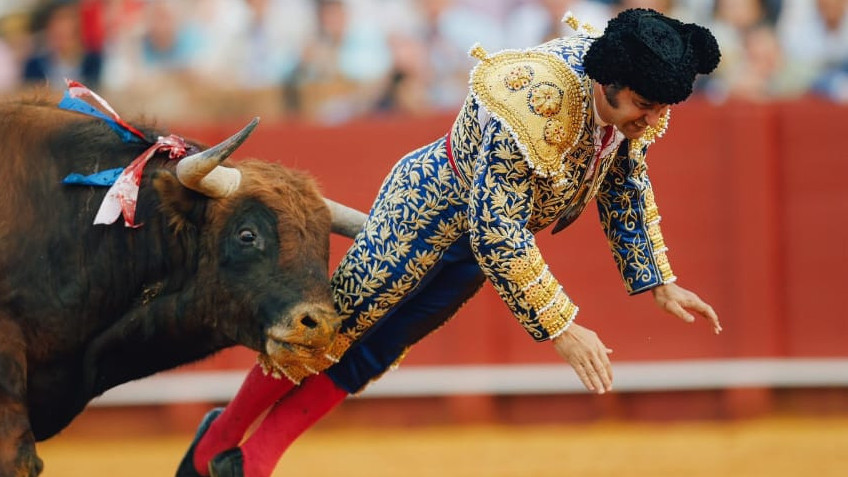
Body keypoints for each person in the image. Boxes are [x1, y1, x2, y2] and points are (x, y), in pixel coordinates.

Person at [176, 7, 723, 477]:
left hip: (482, 241)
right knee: (330, 329)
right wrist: (561, 325)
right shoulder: (540, 97)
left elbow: (623, 178)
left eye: (661, 108)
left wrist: (657, 278)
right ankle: (217, 442)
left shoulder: (632, 99)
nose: (654, 120)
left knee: (375, 351)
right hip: (427, 213)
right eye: (646, 105)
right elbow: (495, 228)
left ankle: (257, 460)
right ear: (611, 83)